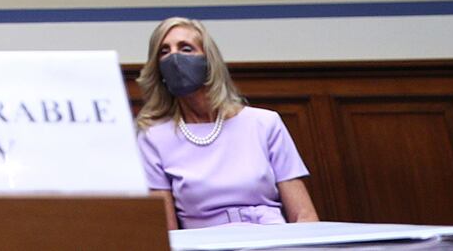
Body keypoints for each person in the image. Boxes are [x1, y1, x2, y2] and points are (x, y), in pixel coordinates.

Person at [135, 16, 319, 229]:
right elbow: (167, 235)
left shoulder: (264, 123)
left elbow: (304, 216)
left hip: (272, 241)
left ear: (209, 61)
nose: (174, 58)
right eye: (164, 52)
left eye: (186, 49)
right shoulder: (154, 138)